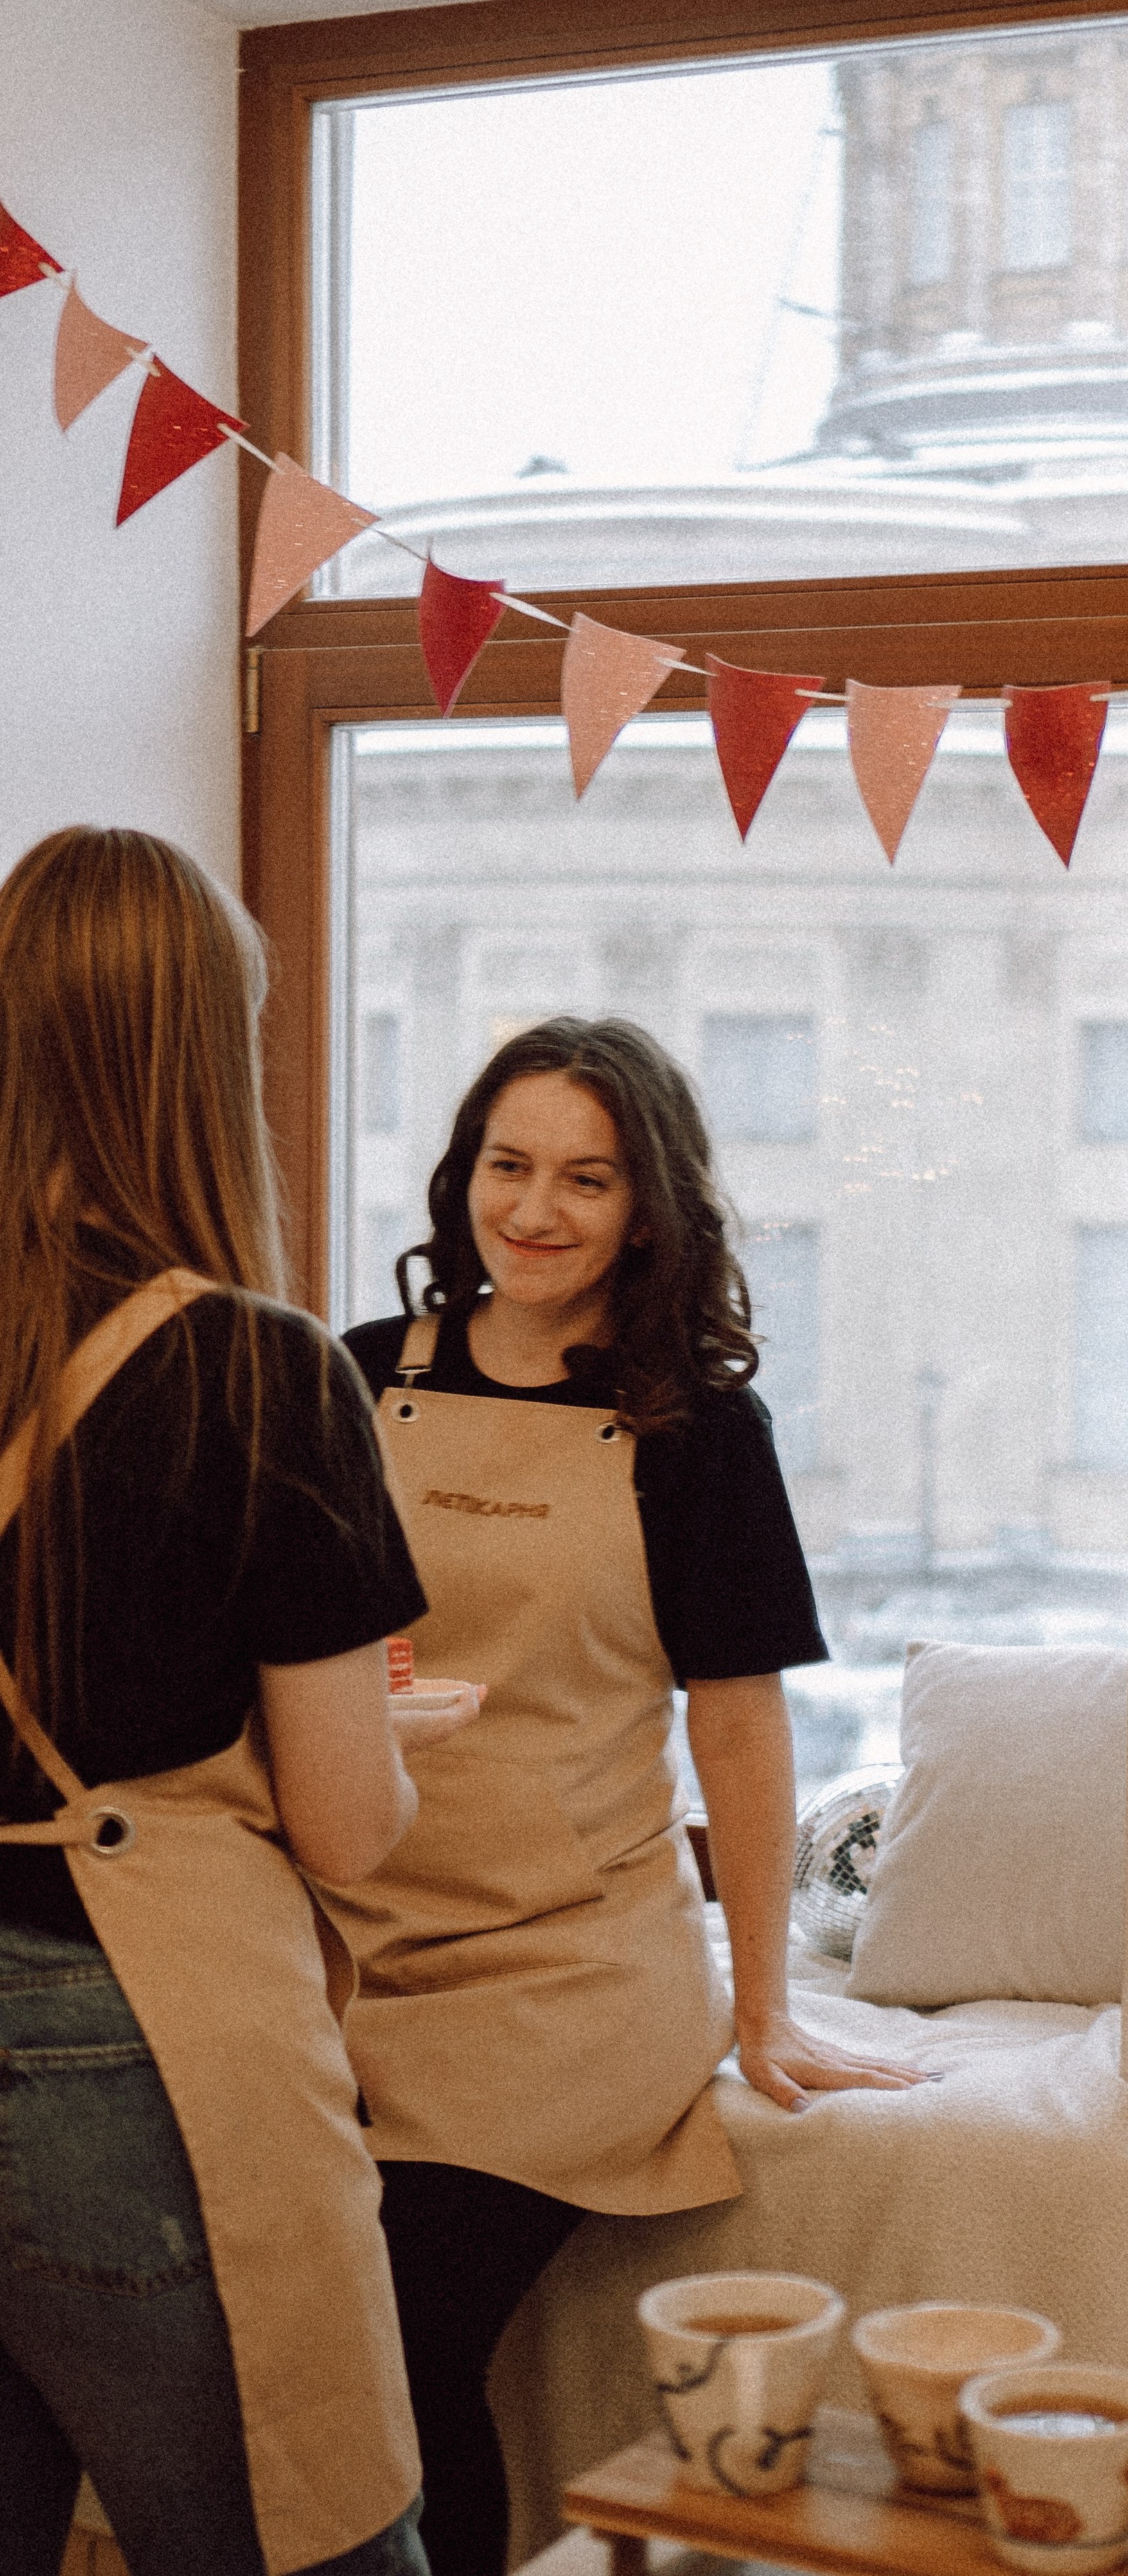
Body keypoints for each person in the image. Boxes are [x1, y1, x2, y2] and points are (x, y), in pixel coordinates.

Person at [337, 1015, 924, 2576]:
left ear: (647, 1208)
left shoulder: (696, 1431)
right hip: (352, 1953)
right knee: (304, 2346)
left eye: (583, 1180)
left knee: (395, 2341)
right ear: (462, 1177)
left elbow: (737, 1734)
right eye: (508, 1167)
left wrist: (763, 2007)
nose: (534, 1210)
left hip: (571, 1972)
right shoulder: (346, 1382)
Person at [0, 827, 481, 2576]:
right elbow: (348, 1827)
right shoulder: (264, 1369)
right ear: (207, 1056)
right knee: (311, 2542)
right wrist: (372, 1751)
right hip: (136, 2044)